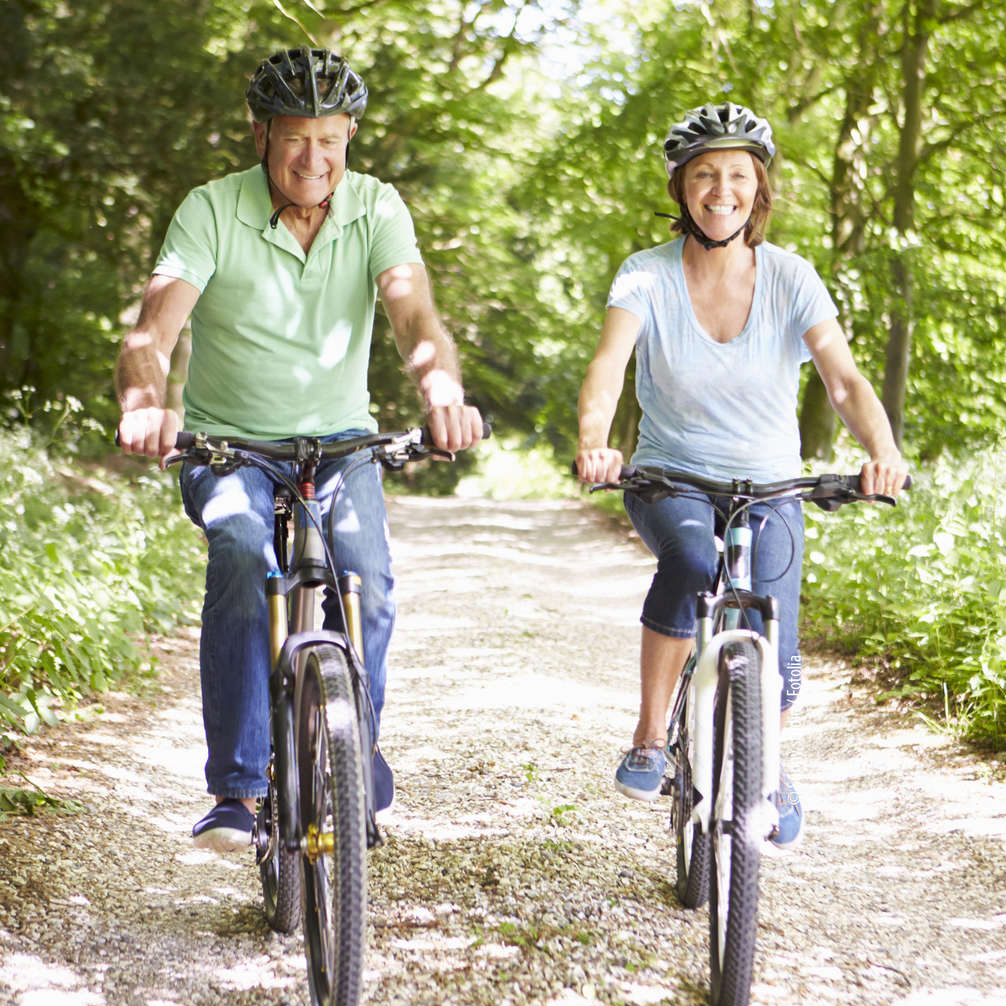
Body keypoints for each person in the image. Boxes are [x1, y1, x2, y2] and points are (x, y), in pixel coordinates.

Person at [115, 46, 483, 851]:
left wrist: (443, 395)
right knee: (244, 548)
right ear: (260, 135)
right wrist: (146, 406)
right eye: (293, 139)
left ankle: (354, 761)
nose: (312, 159)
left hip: (342, 446)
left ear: (350, 136)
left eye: (330, 139)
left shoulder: (377, 207)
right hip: (228, 449)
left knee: (369, 581)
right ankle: (237, 791)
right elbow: (153, 332)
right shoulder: (210, 210)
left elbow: (415, 319)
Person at [574, 102, 907, 848]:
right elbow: (608, 366)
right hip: (672, 480)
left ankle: (769, 766)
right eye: (704, 176)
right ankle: (651, 735)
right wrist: (596, 442)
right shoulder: (646, 275)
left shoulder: (791, 278)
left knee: (777, 651)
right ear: (681, 190)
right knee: (692, 562)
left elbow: (844, 381)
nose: (720, 191)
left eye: (736, 177)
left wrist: (882, 453)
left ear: (759, 190)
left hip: (773, 487)